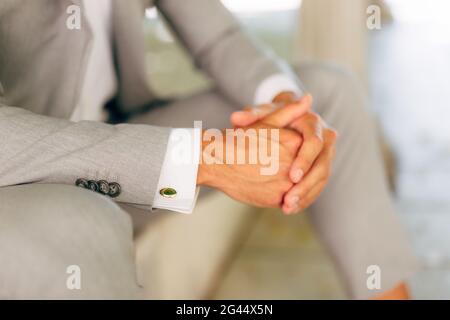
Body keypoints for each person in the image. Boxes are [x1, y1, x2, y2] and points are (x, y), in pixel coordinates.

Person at [0, 0, 416, 299]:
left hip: (125, 153)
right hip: (23, 179)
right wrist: (200, 158)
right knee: (85, 220)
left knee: (326, 97)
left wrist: (285, 105)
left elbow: (217, 36)